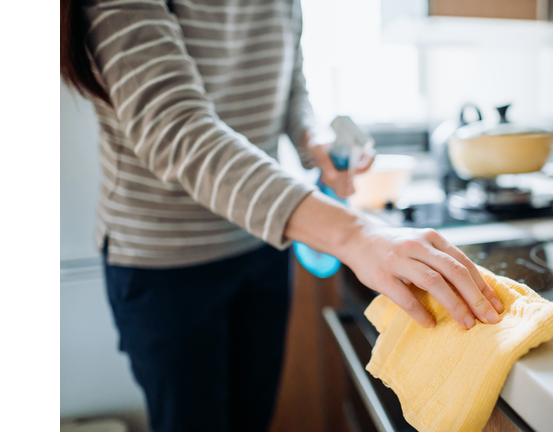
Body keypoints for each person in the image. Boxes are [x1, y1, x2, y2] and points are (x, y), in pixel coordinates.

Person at [60, 0, 504, 430]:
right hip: (165, 262)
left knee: (254, 418)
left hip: (260, 244)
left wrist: (314, 143)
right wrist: (356, 235)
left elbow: (291, 90)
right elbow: (175, 128)